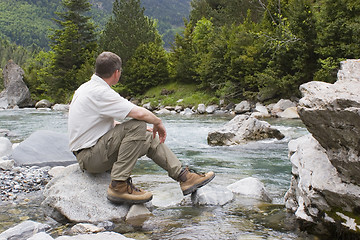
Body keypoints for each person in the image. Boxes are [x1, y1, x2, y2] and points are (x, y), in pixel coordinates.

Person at [68, 51, 215, 204]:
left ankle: (184, 177)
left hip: (89, 153)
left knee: (147, 136)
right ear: (117, 73)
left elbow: (95, 125)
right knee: (138, 124)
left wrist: (132, 132)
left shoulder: (86, 88)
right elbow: (138, 113)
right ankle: (119, 185)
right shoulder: (100, 92)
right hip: (90, 157)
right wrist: (157, 122)